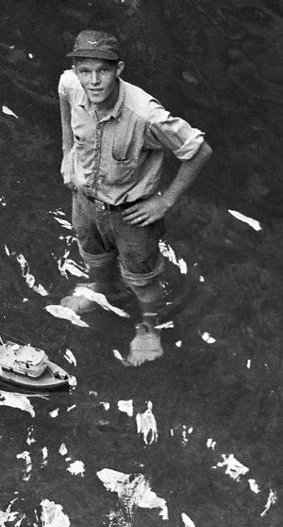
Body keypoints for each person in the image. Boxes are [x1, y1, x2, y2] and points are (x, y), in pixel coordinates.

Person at [57, 29, 213, 363]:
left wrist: (164, 200)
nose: (94, 81)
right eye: (86, 71)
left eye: (103, 71)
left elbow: (199, 151)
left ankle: (149, 328)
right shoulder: (71, 85)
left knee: (142, 280)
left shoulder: (145, 114)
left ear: (119, 69)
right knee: (94, 259)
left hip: (130, 214)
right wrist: (67, 152)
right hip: (84, 200)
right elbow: (63, 95)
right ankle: (101, 289)